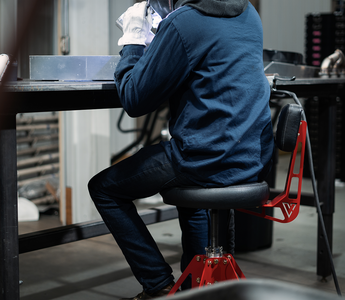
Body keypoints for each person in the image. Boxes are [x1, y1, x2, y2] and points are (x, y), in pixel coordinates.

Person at [88, 0, 274, 299]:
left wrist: (134, 39)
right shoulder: (249, 12)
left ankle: (158, 285)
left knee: (104, 189)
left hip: (206, 159)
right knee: (196, 193)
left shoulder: (184, 21)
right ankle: (195, 289)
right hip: (251, 157)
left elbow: (134, 98)